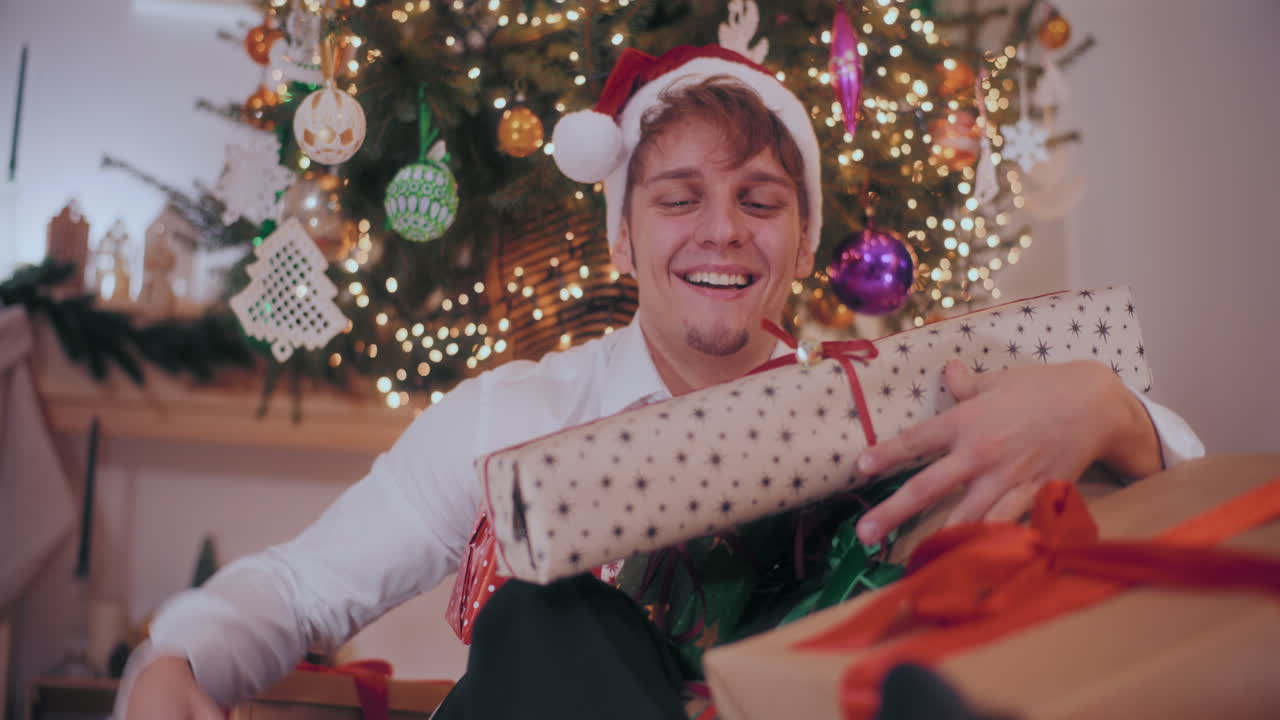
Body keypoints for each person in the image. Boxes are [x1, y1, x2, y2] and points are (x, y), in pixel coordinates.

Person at [118, 45, 1203, 719]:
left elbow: (1198, 503)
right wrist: (172, 666)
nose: (721, 229)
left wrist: (1104, 410)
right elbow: (304, 590)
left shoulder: (880, 404)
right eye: (677, 197)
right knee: (547, 622)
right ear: (624, 241)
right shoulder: (518, 413)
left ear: (798, 242)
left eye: (760, 200)